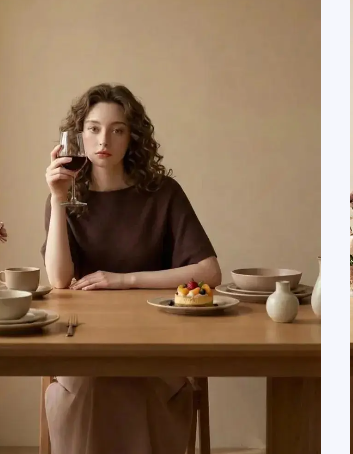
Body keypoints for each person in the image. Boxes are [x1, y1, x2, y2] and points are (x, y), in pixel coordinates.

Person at [41, 83, 222, 454]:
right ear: (79, 136)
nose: (103, 139)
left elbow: (209, 272)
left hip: (159, 342)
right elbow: (59, 280)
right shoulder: (64, 196)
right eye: (93, 128)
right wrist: (59, 200)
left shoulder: (163, 192)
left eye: (117, 129)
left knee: (142, 383)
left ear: (132, 138)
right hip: (86, 342)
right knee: (92, 385)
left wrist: (123, 280)